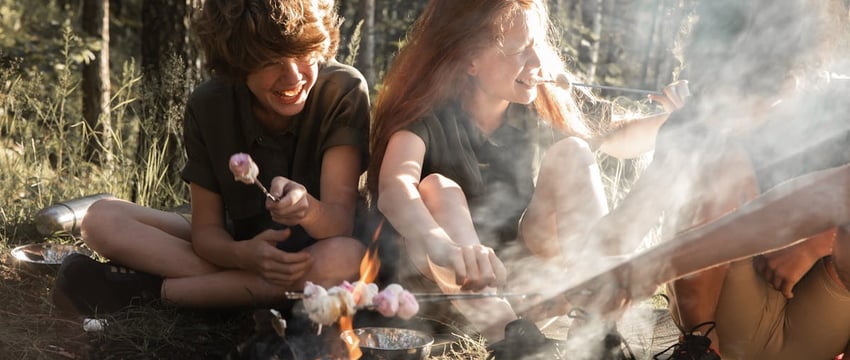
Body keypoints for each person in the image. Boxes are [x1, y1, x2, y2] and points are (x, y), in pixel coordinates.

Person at [366, 0, 686, 342]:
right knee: (439, 189)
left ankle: (595, 321)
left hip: (521, 290)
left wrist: (682, 119)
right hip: (438, 295)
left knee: (572, 153)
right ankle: (512, 342)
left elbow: (620, 139)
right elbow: (395, 187)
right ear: (469, 59)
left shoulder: (537, 103)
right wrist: (447, 248)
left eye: (537, 46)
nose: (537, 62)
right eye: (520, 50)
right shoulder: (427, 115)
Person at [559, 0, 850, 358]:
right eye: (713, 93)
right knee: (714, 159)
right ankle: (697, 349)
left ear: (789, 82)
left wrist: (814, 245)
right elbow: (631, 221)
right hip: (731, 325)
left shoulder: (839, 109)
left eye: (736, 99)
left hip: (819, 316)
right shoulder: (700, 123)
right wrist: (588, 279)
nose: (722, 114)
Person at [52, 0, 371, 315]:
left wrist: (307, 209)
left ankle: (148, 290)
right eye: (270, 61)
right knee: (100, 219)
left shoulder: (343, 90)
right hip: (238, 243)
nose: (292, 78)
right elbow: (207, 233)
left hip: (315, 252)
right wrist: (243, 256)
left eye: (303, 54)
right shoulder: (209, 104)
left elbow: (339, 223)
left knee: (348, 258)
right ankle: (235, 290)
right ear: (236, 62)